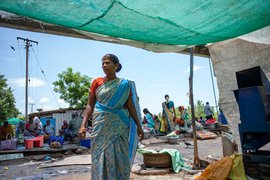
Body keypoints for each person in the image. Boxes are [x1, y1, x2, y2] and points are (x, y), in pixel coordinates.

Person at [79, 54, 144, 179]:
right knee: (99, 155)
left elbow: (131, 107)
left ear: (116, 66)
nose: (104, 65)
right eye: (102, 63)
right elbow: (89, 106)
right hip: (100, 125)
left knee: (120, 154)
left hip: (119, 125)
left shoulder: (124, 85)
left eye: (107, 63)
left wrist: (139, 126)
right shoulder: (97, 82)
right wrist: (83, 125)